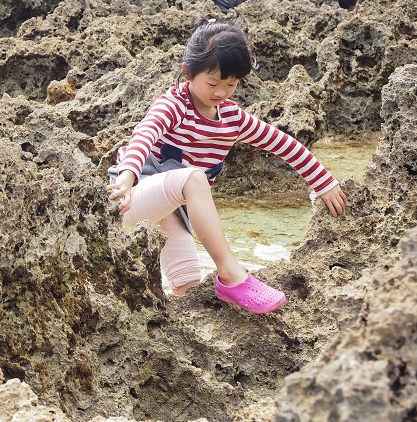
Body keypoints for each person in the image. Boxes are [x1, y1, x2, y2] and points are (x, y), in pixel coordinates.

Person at [106, 16, 347, 314]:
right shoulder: (173, 105)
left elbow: (284, 145)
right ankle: (231, 275)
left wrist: (324, 182)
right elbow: (145, 133)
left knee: (187, 285)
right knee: (193, 179)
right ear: (187, 72)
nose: (221, 92)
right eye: (212, 83)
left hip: (171, 212)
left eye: (231, 84)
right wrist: (127, 178)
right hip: (130, 199)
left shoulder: (233, 118)